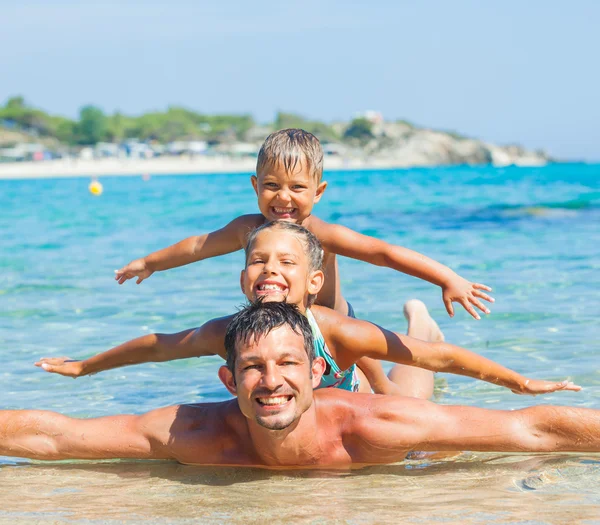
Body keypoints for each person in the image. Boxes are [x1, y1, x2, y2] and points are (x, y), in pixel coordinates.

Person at [5, 302, 598, 467]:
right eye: (253, 368)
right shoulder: (193, 432)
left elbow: (533, 430)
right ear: (228, 379)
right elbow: (57, 438)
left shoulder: (372, 425)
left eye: (288, 364)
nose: (271, 382)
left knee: (412, 404)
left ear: (316, 370)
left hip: (381, 416)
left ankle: (420, 322)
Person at [36, 222, 578, 398]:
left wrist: (519, 383)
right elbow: (159, 346)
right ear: (242, 275)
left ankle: (419, 315)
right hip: (305, 400)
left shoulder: (333, 327)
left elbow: (444, 360)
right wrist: (85, 366)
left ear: (312, 281)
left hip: (341, 381)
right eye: (257, 261)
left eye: (285, 263)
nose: (270, 269)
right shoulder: (230, 331)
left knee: (411, 397)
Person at [114, 129, 493, 321]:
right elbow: (199, 246)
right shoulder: (248, 229)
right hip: (285, 328)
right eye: (271, 186)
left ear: (319, 192)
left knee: (380, 388)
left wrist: (447, 279)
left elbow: (383, 253)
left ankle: (420, 325)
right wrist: (150, 263)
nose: (283, 197)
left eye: (297, 187)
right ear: (255, 186)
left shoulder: (322, 235)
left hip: (336, 325)